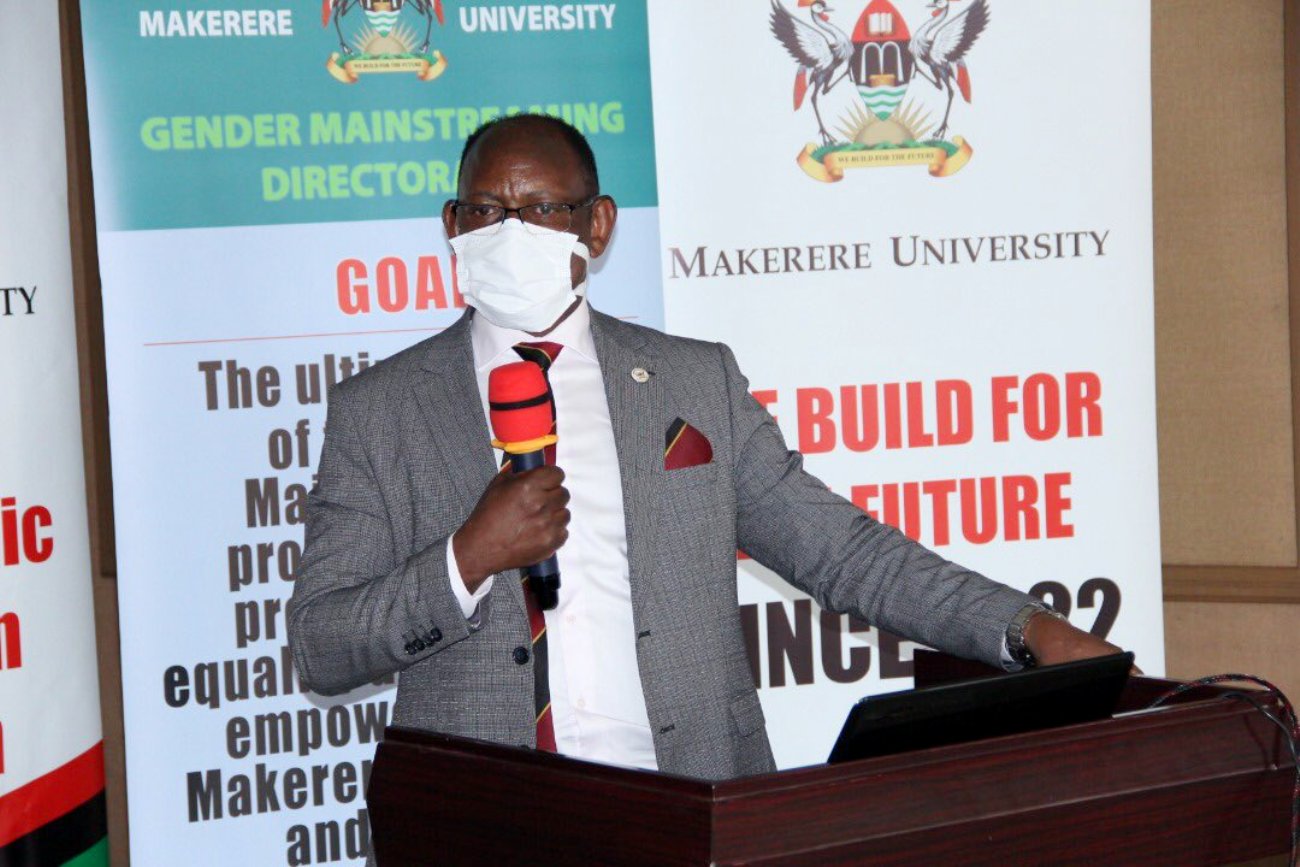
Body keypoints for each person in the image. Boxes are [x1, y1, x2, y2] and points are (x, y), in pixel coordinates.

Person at [287, 114, 1124, 781]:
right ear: (452, 225)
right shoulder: (381, 410)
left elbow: (843, 553)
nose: (511, 232)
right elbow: (322, 643)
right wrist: (464, 559)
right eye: (486, 211)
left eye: (542, 209)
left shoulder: (694, 383)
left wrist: (1023, 627)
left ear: (597, 225)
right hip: (487, 817)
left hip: (686, 798)